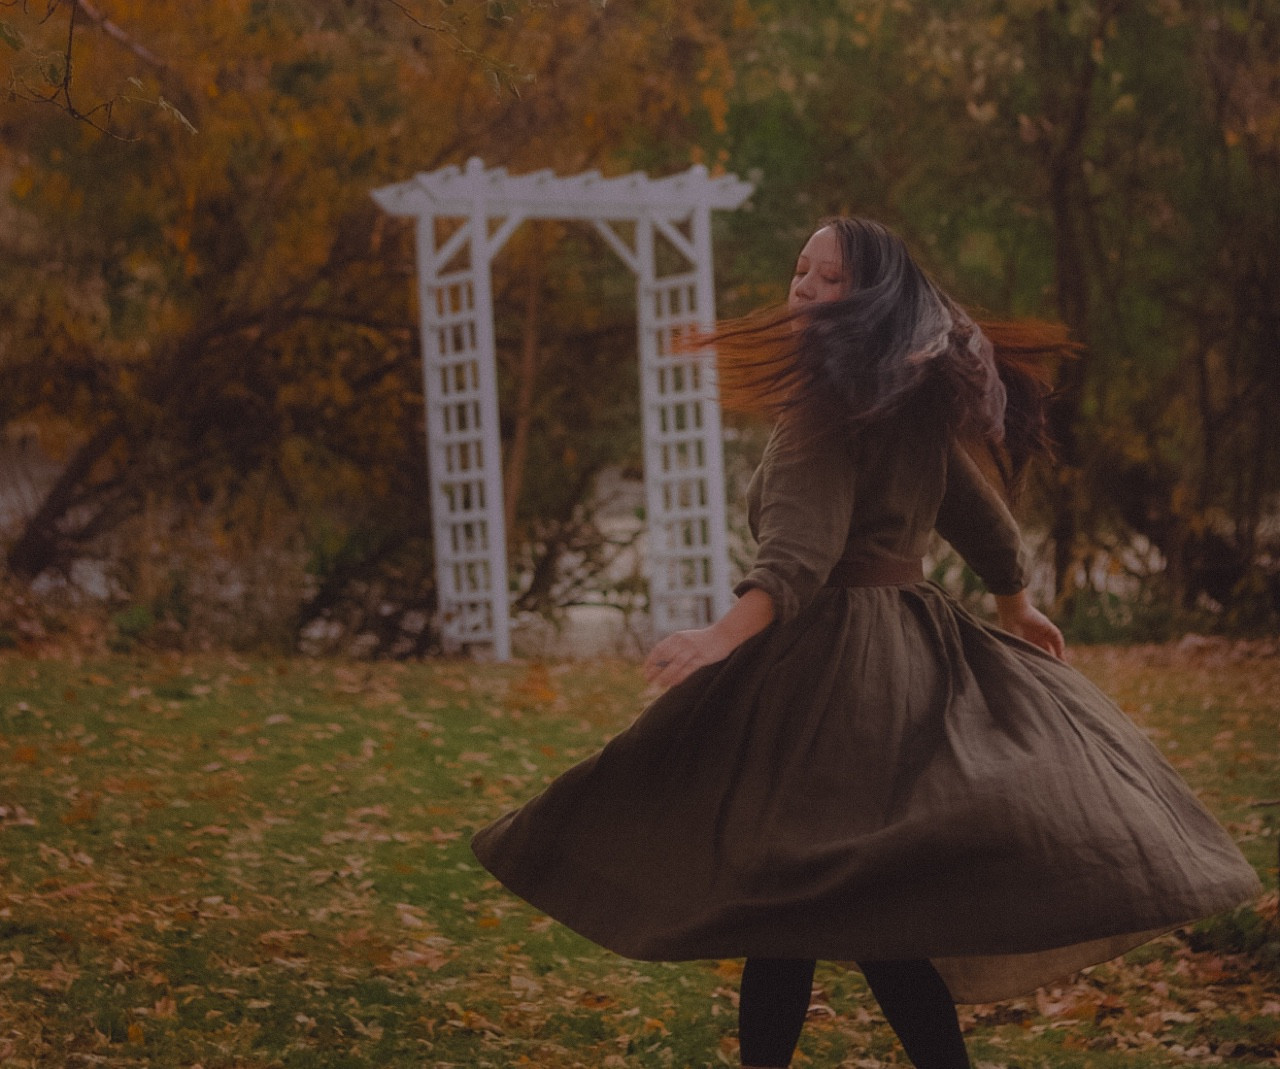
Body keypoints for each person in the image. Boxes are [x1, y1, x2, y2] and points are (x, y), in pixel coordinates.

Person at [471, 218, 1258, 1069]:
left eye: (829, 278)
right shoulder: (907, 400)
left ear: (872, 295)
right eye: (799, 269)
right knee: (864, 906)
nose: (803, 288)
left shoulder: (825, 405)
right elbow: (982, 520)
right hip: (911, 659)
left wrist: (722, 634)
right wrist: (1014, 602)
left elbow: (799, 553)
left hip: (830, 668)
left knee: (789, 896)